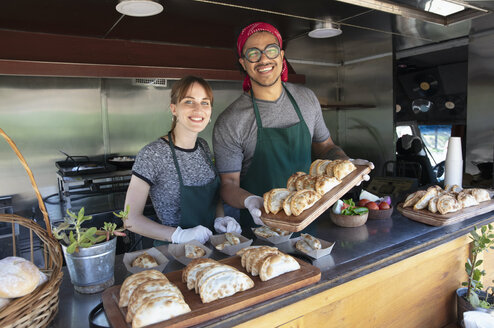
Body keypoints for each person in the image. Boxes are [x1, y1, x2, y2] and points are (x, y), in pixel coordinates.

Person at [212, 22, 373, 234]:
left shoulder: (306, 99)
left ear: (281, 55)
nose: (263, 59)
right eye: (253, 53)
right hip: (261, 228)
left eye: (271, 50)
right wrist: (251, 201)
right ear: (243, 62)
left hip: (309, 219)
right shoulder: (231, 121)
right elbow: (228, 184)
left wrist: (347, 164)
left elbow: (325, 147)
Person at [124, 76, 241, 245]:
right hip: (174, 254)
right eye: (189, 101)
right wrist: (178, 236)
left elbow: (212, 200)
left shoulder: (203, 147)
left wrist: (220, 219)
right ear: (174, 108)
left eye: (205, 102)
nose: (198, 109)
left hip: (212, 248)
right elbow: (130, 219)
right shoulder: (152, 154)